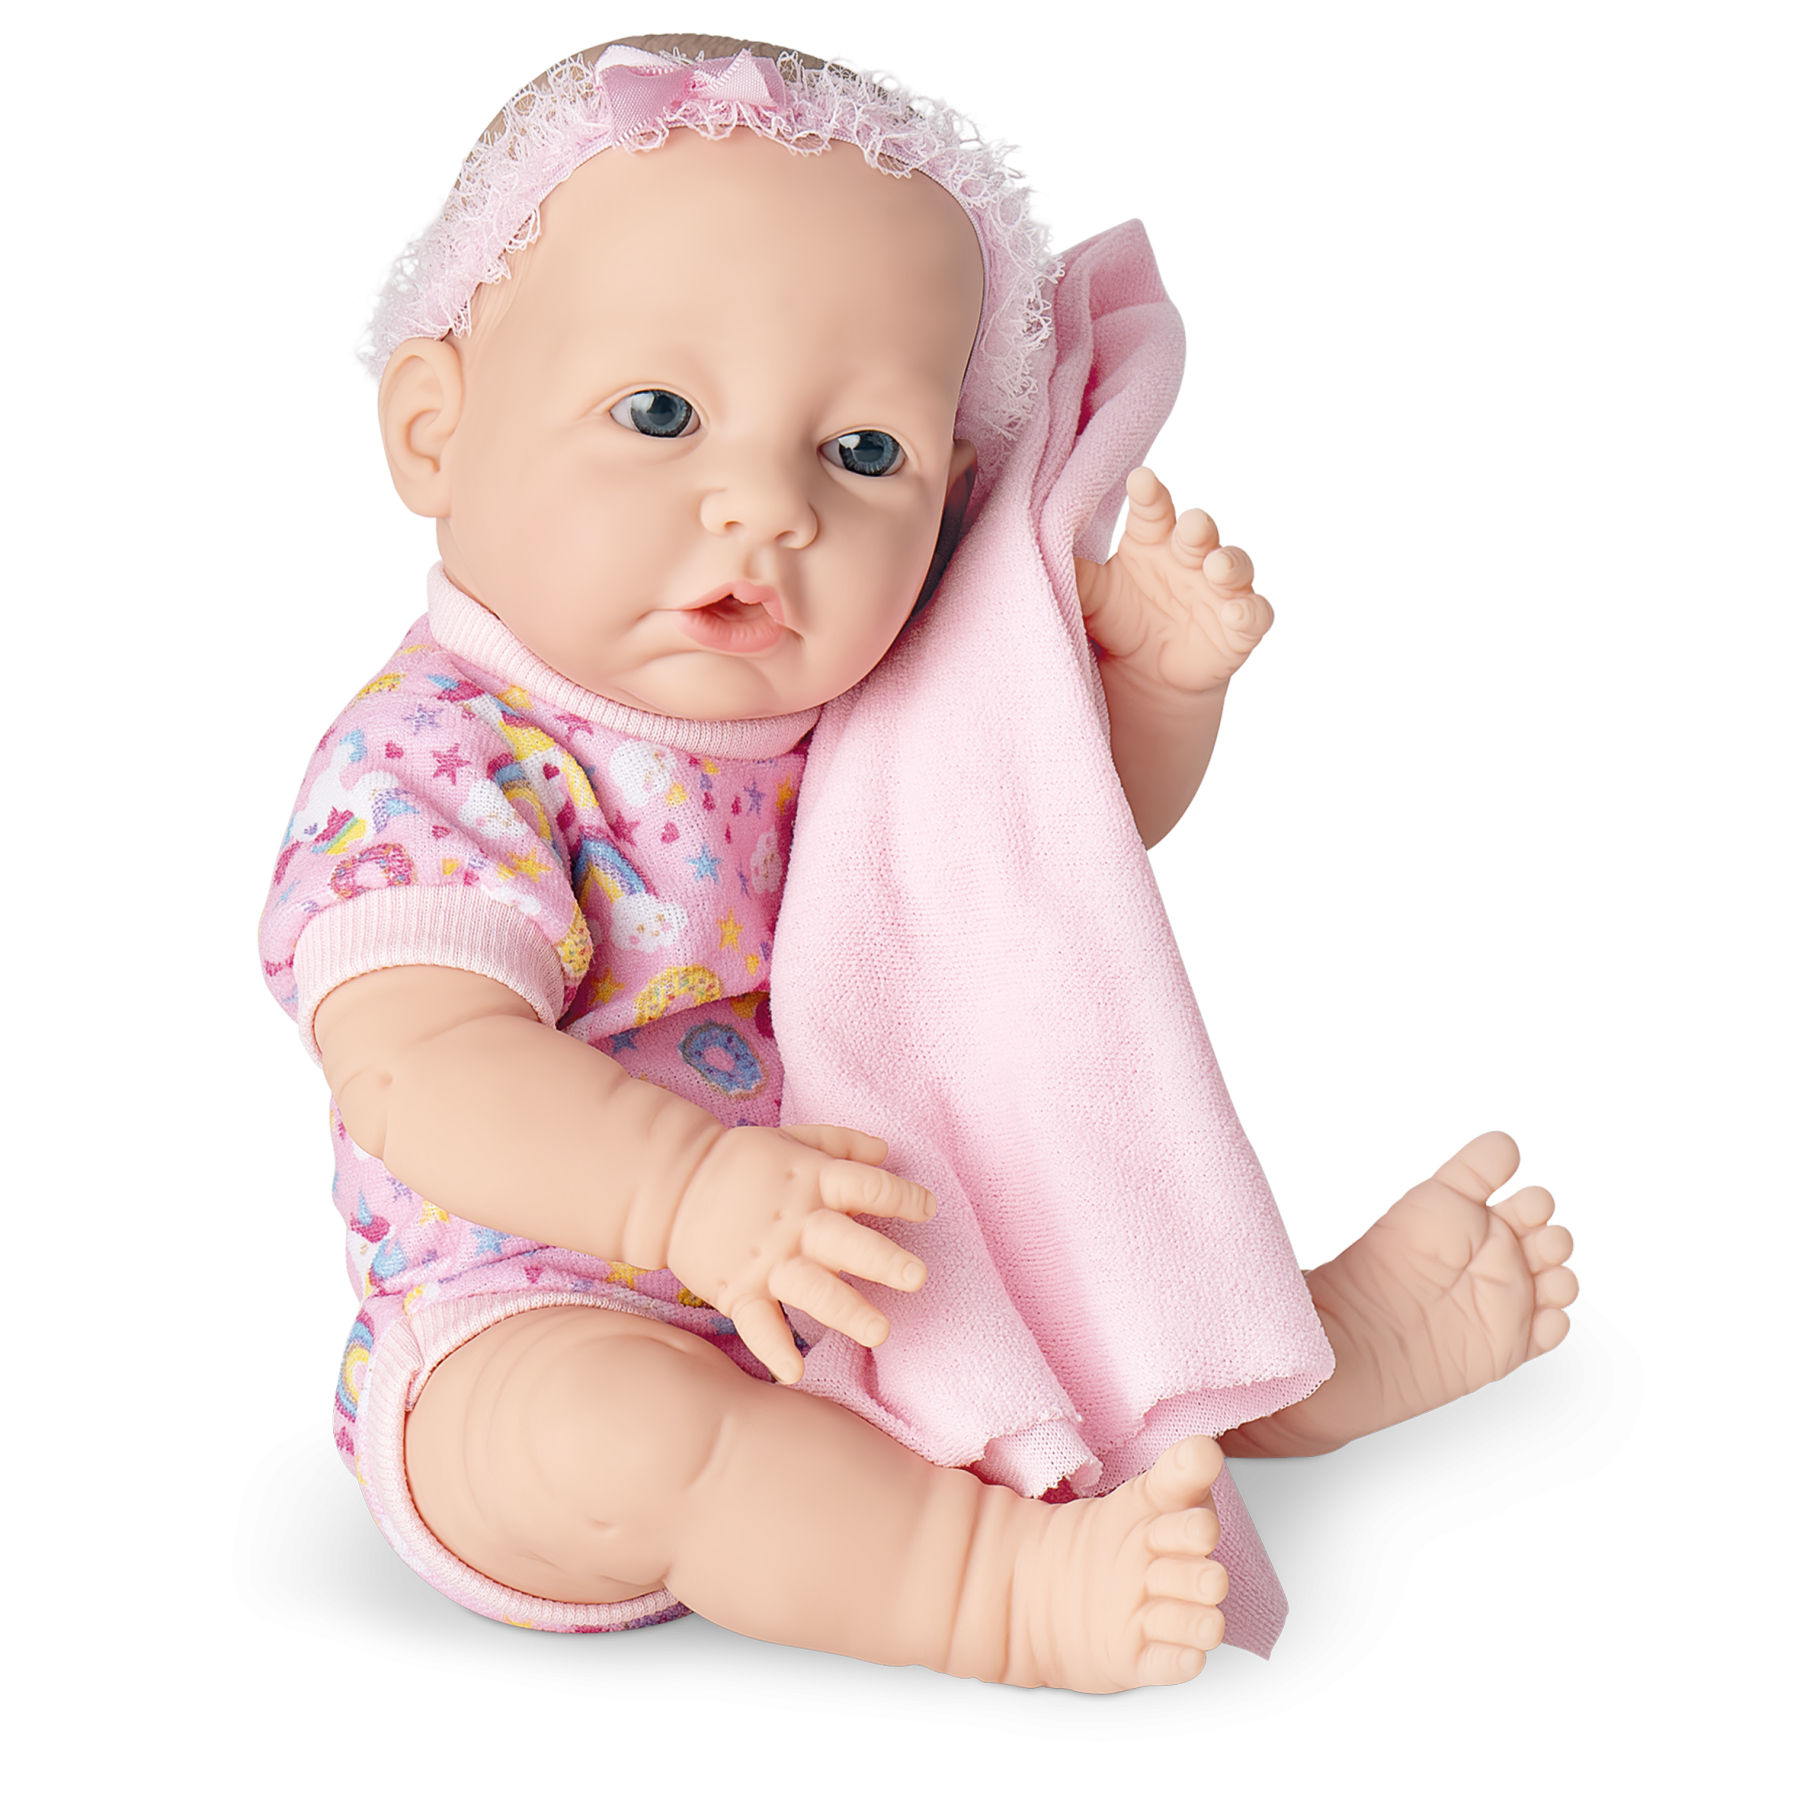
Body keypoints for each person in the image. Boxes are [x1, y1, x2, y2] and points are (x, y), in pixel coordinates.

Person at [259, 34, 1577, 1691]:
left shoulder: (865, 699)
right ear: (432, 431)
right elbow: (422, 1064)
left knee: (1054, 1178)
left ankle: (1261, 1371)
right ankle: (992, 1586)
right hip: (532, 1316)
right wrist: (682, 1194)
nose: (765, 505)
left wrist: (1154, 689)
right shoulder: (443, 757)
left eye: (863, 453)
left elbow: (1051, 854)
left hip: (865, 1259)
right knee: (626, 1438)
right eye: (661, 414)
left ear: (949, 502)